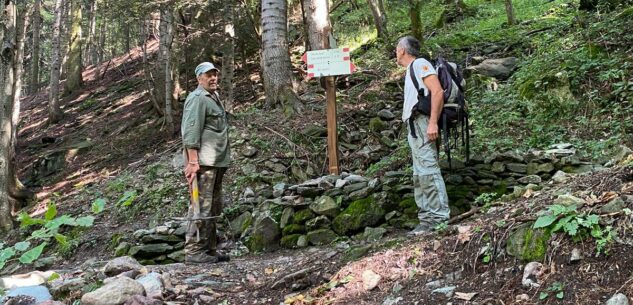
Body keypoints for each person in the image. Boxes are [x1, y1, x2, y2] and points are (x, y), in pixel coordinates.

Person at [395, 36, 450, 235]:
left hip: (423, 123)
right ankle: (426, 219)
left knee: (429, 169)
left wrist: (433, 122)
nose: (396, 52)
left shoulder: (420, 64)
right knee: (420, 174)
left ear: (402, 50)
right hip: (415, 125)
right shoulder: (413, 69)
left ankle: (439, 219)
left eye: (397, 49)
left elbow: (437, 92)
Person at [181, 62, 231, 263]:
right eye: (208, 75)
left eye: (214, 75)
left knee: (213, 206)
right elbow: (191, 132)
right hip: (203, 162)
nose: (213, 78)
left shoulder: (213, 97)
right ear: (198, 78)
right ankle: (194, 251)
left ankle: (209, 249)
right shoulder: (198, 98)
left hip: (216, 161)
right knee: (200, 205)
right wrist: (193, 162)